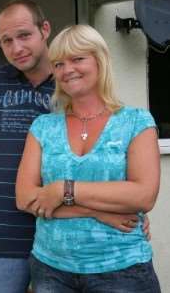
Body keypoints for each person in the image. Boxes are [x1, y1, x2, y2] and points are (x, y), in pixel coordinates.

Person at [0, 0, 152, 293]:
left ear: (45, 30)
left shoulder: (76, 84)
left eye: (24, 35)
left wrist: (127, 205)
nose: (16, 48)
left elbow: (114, 160)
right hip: (4, 231)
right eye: (6, 41)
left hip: (67, 241)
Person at [16, 24, 161, 292]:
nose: (67, 69)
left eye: (77, 58)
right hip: (50, 269)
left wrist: (62, 190)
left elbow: (143, 195)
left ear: (100, 60)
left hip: (122, 269)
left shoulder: (136, 122)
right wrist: (98, 211)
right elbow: (25, 198)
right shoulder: (43, 126)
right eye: (58, 63)